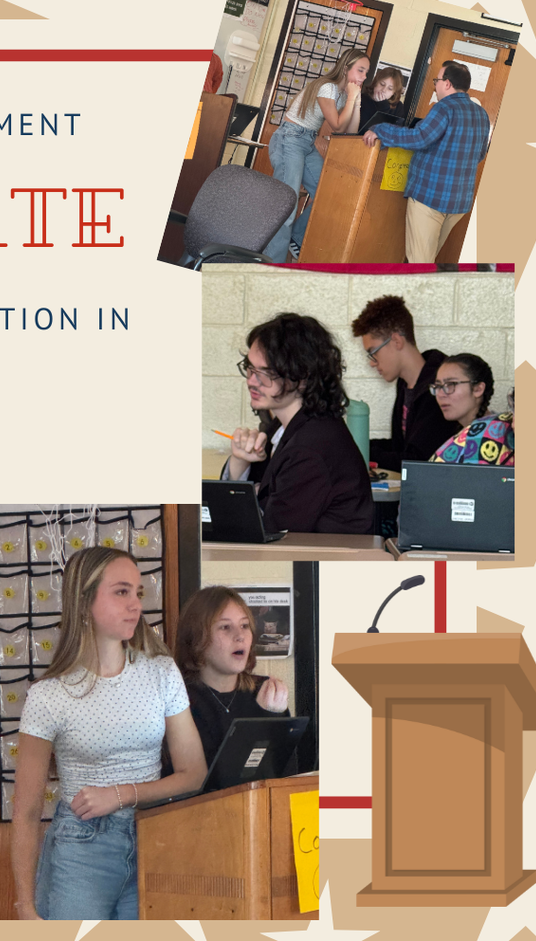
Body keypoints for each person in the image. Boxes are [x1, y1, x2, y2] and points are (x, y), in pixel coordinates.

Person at [12, 548, 207, 920]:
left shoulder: (162, 673)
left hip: (155, 836)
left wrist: (121, 795)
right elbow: (26, 812)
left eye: (138, 593)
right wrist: (25, 906)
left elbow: (194, 773)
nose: (135, 604)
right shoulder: (48, 695)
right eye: (121, 592)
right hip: (81, 850)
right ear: (84, 602)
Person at [223, 313, 374, 534]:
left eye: (266, 374)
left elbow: (265, 530)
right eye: (250, 368)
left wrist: (256, 497)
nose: (251, 381)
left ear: (302, 379)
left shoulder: (310, 448)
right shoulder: (285, 427)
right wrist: (239, 462)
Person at [364, 60, 490, 263]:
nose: (435, 85)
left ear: (447, 83)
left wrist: (380, 129)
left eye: (437, 80)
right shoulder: (481, 114)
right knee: (426, 259)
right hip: (458, 202)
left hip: (431, 198)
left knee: (419, 262)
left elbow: (418, 139)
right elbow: (480, 154)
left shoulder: (444, 107)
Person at [263, 49, 371, 263]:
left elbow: (350, 131)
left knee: (328, 193)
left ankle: (296, 238)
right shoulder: (328, 88)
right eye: (361, 70)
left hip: (306, 141)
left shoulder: (341, 94)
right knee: (287, 205)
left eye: (366, 73)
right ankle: (271, 264)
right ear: (346, 67)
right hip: (290, 138)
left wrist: (356, 101)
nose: (364, 77)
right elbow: (338, 127)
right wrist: (351, 98)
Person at [173, 588, 290, 766]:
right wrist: (261, 717)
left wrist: (274, 718)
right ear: (196, 639)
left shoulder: (264, 691)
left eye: (244, 626)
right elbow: (216, 781)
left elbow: (286, 773)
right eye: (225, 627)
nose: (240, 636)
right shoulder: (178, 699)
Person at [351, 295, 449, 469]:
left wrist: (364, 451)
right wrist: (356, 444)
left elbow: (417, 462)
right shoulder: (405, 385)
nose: (372, 362)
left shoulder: (439, 389)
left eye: (374, 353)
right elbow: (400, 448)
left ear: (396, 341)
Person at [430, 355, 514, 465]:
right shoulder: (445, 434)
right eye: (437, 386)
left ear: (478, 389)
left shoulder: (497, 436)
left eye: (450, 384)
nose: (440, 394)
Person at [357, 67, 406, 132]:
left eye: (390, 88)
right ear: (376, 83)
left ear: (394, 93)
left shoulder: (398, 107)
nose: (383, 90)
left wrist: (383, 106)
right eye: (382, 84)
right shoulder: (361, 99)